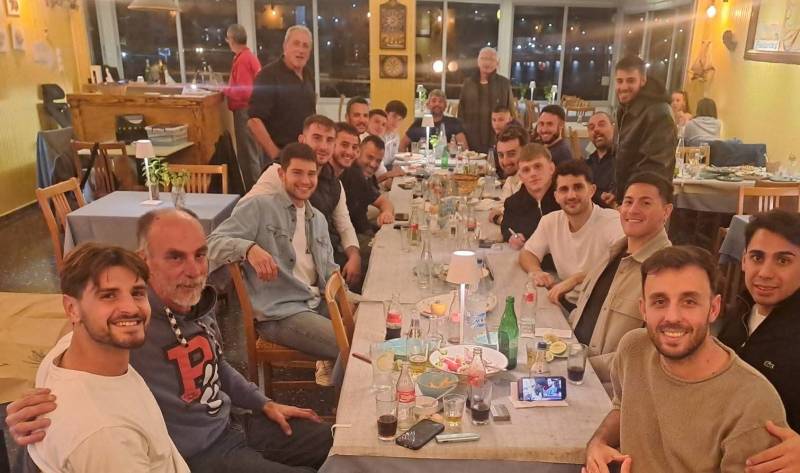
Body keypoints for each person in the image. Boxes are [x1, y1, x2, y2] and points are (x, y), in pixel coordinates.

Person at [7, 208, 334, 473]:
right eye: (175, 257)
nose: (193, 271)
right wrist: (26, 416)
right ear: (145, 260)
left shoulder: (193, 301)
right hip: (199, 454)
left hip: (232, 422)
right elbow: (74, 356)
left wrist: (264, 403)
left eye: (200, 255)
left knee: (338, 444)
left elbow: (216, 364)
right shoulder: (133, 327)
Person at [584, 246, 787, 473]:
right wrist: (598, 443)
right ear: (643, 309)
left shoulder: (754, 405)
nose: (672, 317)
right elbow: (622, 407)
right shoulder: (634, 348)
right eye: (659, 301)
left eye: (689, 301)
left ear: (714, 308)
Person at [28, 243, 190, 473]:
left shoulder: (64, 351)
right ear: (72, 309)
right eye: (108, 295)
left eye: (137, 293)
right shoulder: (106, 436)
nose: (130, 308)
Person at [208, 143, 344, 390]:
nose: (305, 181)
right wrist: (249, 248)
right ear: (282, 174)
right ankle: (343, 405)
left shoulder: (318, 219)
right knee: (350, 344)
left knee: (372, 329)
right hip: (281, 313)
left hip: (318, 306)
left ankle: (335, 373)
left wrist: (352, 301)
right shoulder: (259, 207)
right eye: (297, 173)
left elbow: (330, 271)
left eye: (311, 174)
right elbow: (211, 244)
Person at [568, 172, 673, 386]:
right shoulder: (613, 253)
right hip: (575, 371)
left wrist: (582, 366)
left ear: (666, 211)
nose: (633, 210)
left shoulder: (666, 271)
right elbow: (584, 313)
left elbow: (651, 351)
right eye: (628, 202)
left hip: (608, 389)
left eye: (645, 203)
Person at [718, 210, 800, 472]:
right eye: (757, 257)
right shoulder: (739, 312)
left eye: (783, 260)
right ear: (743, 260)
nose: (765, 272)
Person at [246, 115, 362, 289]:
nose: (323, 146)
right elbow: (244, 212)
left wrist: (354, 256)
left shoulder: (335, 184)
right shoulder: (279, 173)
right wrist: (250, 249)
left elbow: (344, 225)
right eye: (317, 138)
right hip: (288, 271)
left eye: (329, 140)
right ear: (302, 140)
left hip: (325, 259)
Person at [519, 160, 624, 305]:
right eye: (564, 189)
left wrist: (576, 279)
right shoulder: (551, 221)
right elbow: (527, 253)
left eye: (578, 187)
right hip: (566, 304)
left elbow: (624, 269)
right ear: (556, 196)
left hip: (601, 306)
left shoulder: (613, 222)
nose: (571, 196)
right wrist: (536, 271)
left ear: (592, 190)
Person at [613, 55, 677, 202]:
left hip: (646, 199)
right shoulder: (624, 110)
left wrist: (631, 200)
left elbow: (654, 167)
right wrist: (616, 192)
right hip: (629, 197)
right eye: (619, 81)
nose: (624, 87)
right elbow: (621, 159)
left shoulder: (659, 112)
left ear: (643, 80)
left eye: (630, 80)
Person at [249, 25, 315, 163]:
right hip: (278, 155)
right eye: (296, 43)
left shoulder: (308, 74)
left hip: (304, 153)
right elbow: (254, 121)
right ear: (285, 46)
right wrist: (275, 154)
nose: (301, 50)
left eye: (305, 46)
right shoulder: (268, 76)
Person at [222, 24, 262, 191]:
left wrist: (224, 90)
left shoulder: (243, 59)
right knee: (252, 154)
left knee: (248, 155)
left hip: (244, 112)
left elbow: (245, 92)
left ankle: (255, 193)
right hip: (249, 111)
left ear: (231, 40)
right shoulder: (247, 57)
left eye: (228, 39)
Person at [334, 134, 395, 237]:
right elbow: (360, 226)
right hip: (349, 236)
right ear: (358, 152)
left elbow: (383, 201)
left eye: (378, 161)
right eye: (369, 157)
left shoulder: (365, 175)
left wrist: (387, 213)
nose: (373, 164)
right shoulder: (353, 174)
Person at [500, 143, 560, 247]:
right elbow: (506, 228)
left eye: (538, 166)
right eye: (526, 170)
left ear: (551, 168)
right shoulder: (513, 204)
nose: (533, 174)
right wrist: (512, 237)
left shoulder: (565, 198)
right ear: (521, 177)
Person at [457, 47, 514, 153]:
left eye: (491, 59)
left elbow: (511, 113)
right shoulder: (468, 84)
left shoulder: (504, 84)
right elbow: (461, 114)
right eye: (484, 58)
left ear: (497, 63)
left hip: (497, 140)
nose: (487, 62)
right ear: (478, 62)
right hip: (471, 140)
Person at [400, 89, 467, 151]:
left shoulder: (454, 123)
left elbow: (465, 148)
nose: (437, 104)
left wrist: (454, 148)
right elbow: (401, 146)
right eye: (434, 101)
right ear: (428, 105)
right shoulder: (418, 123)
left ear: (445, 106)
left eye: (440, 101)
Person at [488, 125, 529, 225]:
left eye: (511, 154)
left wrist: (498, 218)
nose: (505, 161)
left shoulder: (531, 183)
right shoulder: (510, 179)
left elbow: (523, 225)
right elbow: (502, 207)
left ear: (526, 152)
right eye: (501, 155)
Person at [585, 112, 616, 207]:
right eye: (591, 127)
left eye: (601, 125)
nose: (596, 129)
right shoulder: (586, 164)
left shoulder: (625, 160)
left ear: (614, 128)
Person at [489, 105, 522, 179]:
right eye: (494, 120)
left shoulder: (516, 135)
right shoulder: (500, 134)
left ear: (510, 119)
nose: (496, 124)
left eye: (501, 120)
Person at [382, 100, 408, 170]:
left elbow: (394, 160)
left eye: (400, 119)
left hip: (389, 169)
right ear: (385, 114)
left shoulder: (395, 136)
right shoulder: (377, 134)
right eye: (394, 116)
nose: (396, 122)